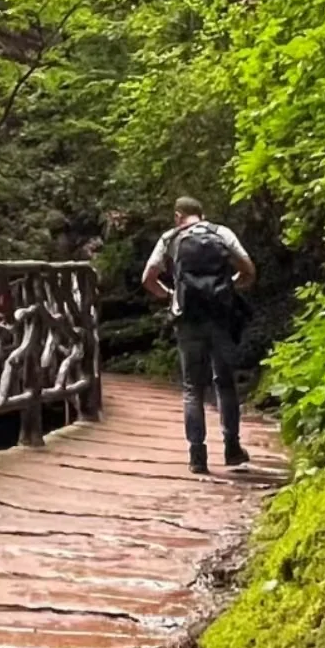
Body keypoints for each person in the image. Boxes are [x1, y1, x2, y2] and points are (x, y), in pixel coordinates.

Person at [142, 195, 256, 474]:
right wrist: (229, 287)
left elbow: (148, 278)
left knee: (193, 388)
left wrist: (170, 295)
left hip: (188, 320)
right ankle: (232, 448)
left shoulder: (170, 238)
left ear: (178, 215)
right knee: (225, 383)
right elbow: (249, 270)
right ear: (201, 215)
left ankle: (197, 456)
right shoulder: (221, 233)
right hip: (220, 317)